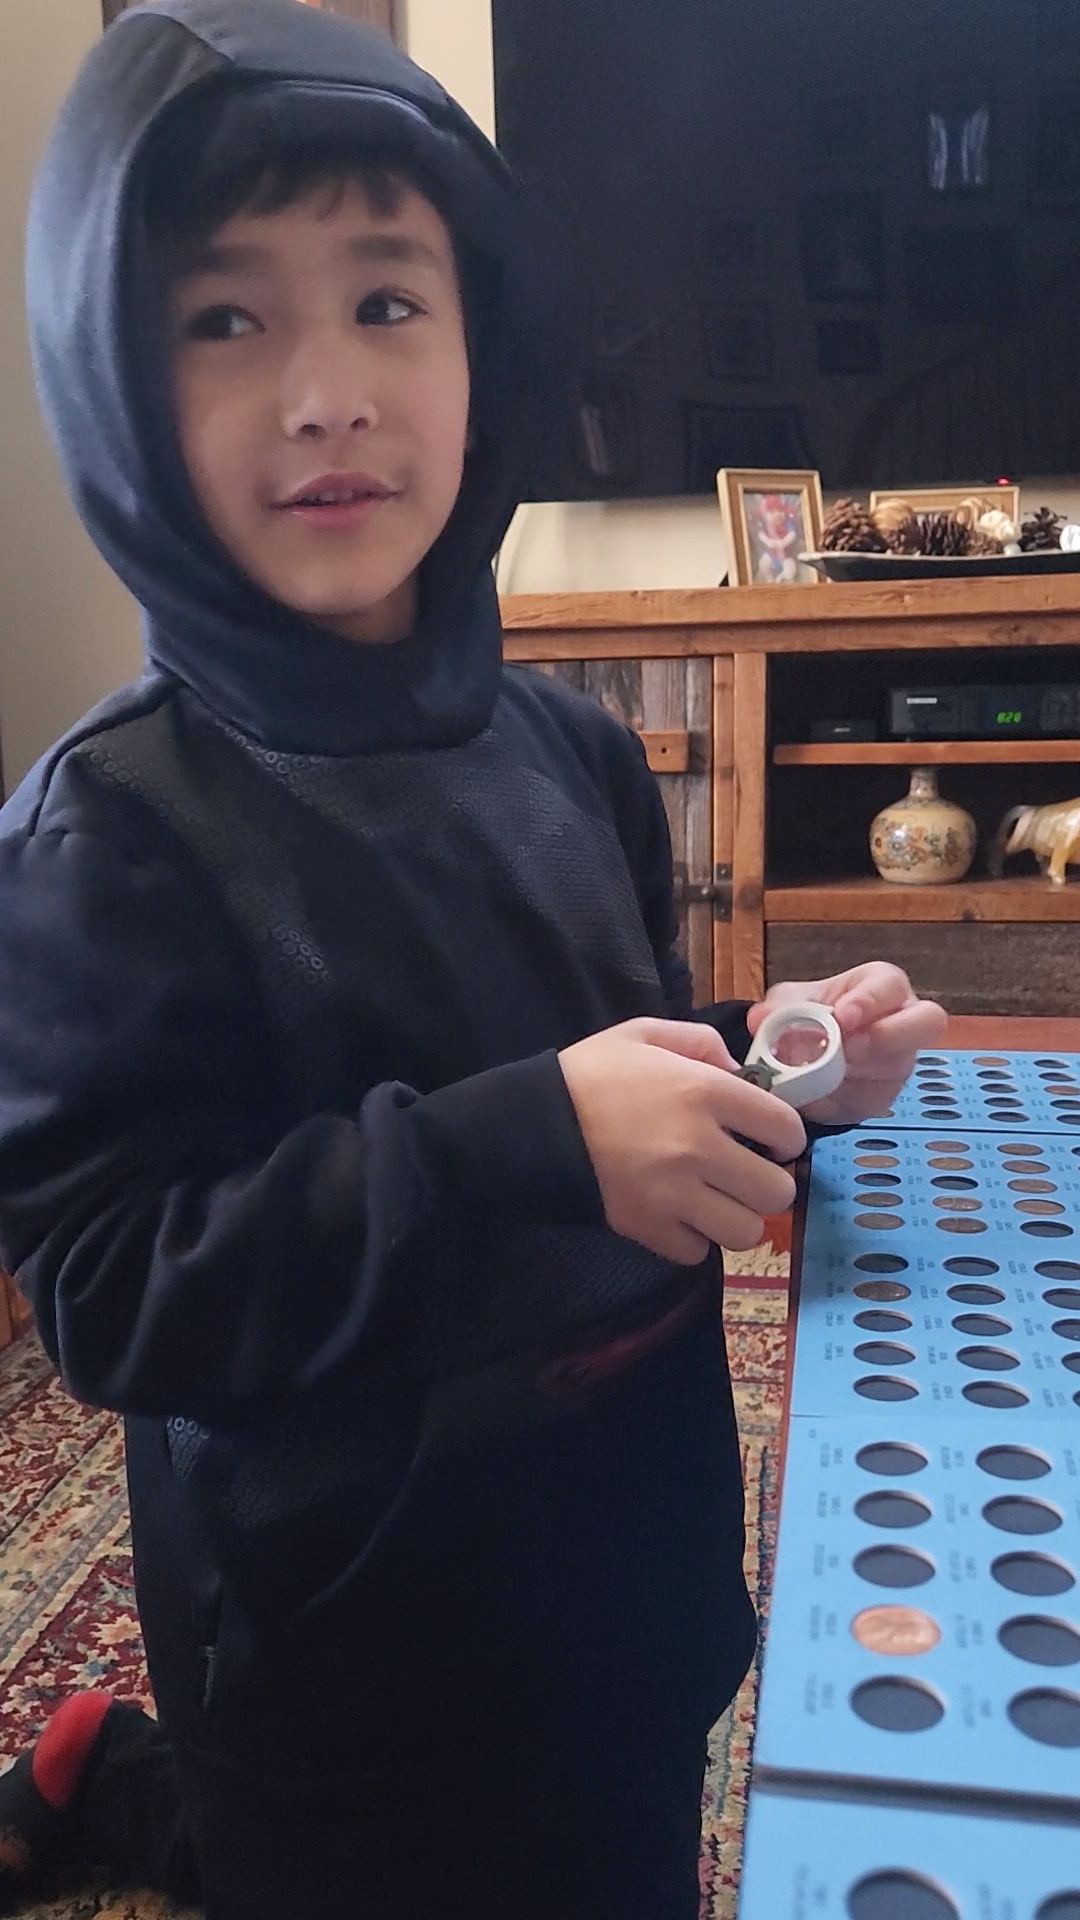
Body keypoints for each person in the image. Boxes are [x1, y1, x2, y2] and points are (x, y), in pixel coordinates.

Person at [0, 2, 947, 1915]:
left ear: (482, 344)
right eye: (224, 318)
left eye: (385, 302)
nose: (326, 394)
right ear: (108, 377)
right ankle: (132, 1786)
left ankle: (122, 1778)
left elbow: (602, 1062)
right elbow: (114, 1287)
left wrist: (771, 1060)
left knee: (605, 1844)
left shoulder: (575, 755)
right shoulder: (113, 835)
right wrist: (533, 1142)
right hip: (341, 1666)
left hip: (625, 1580)